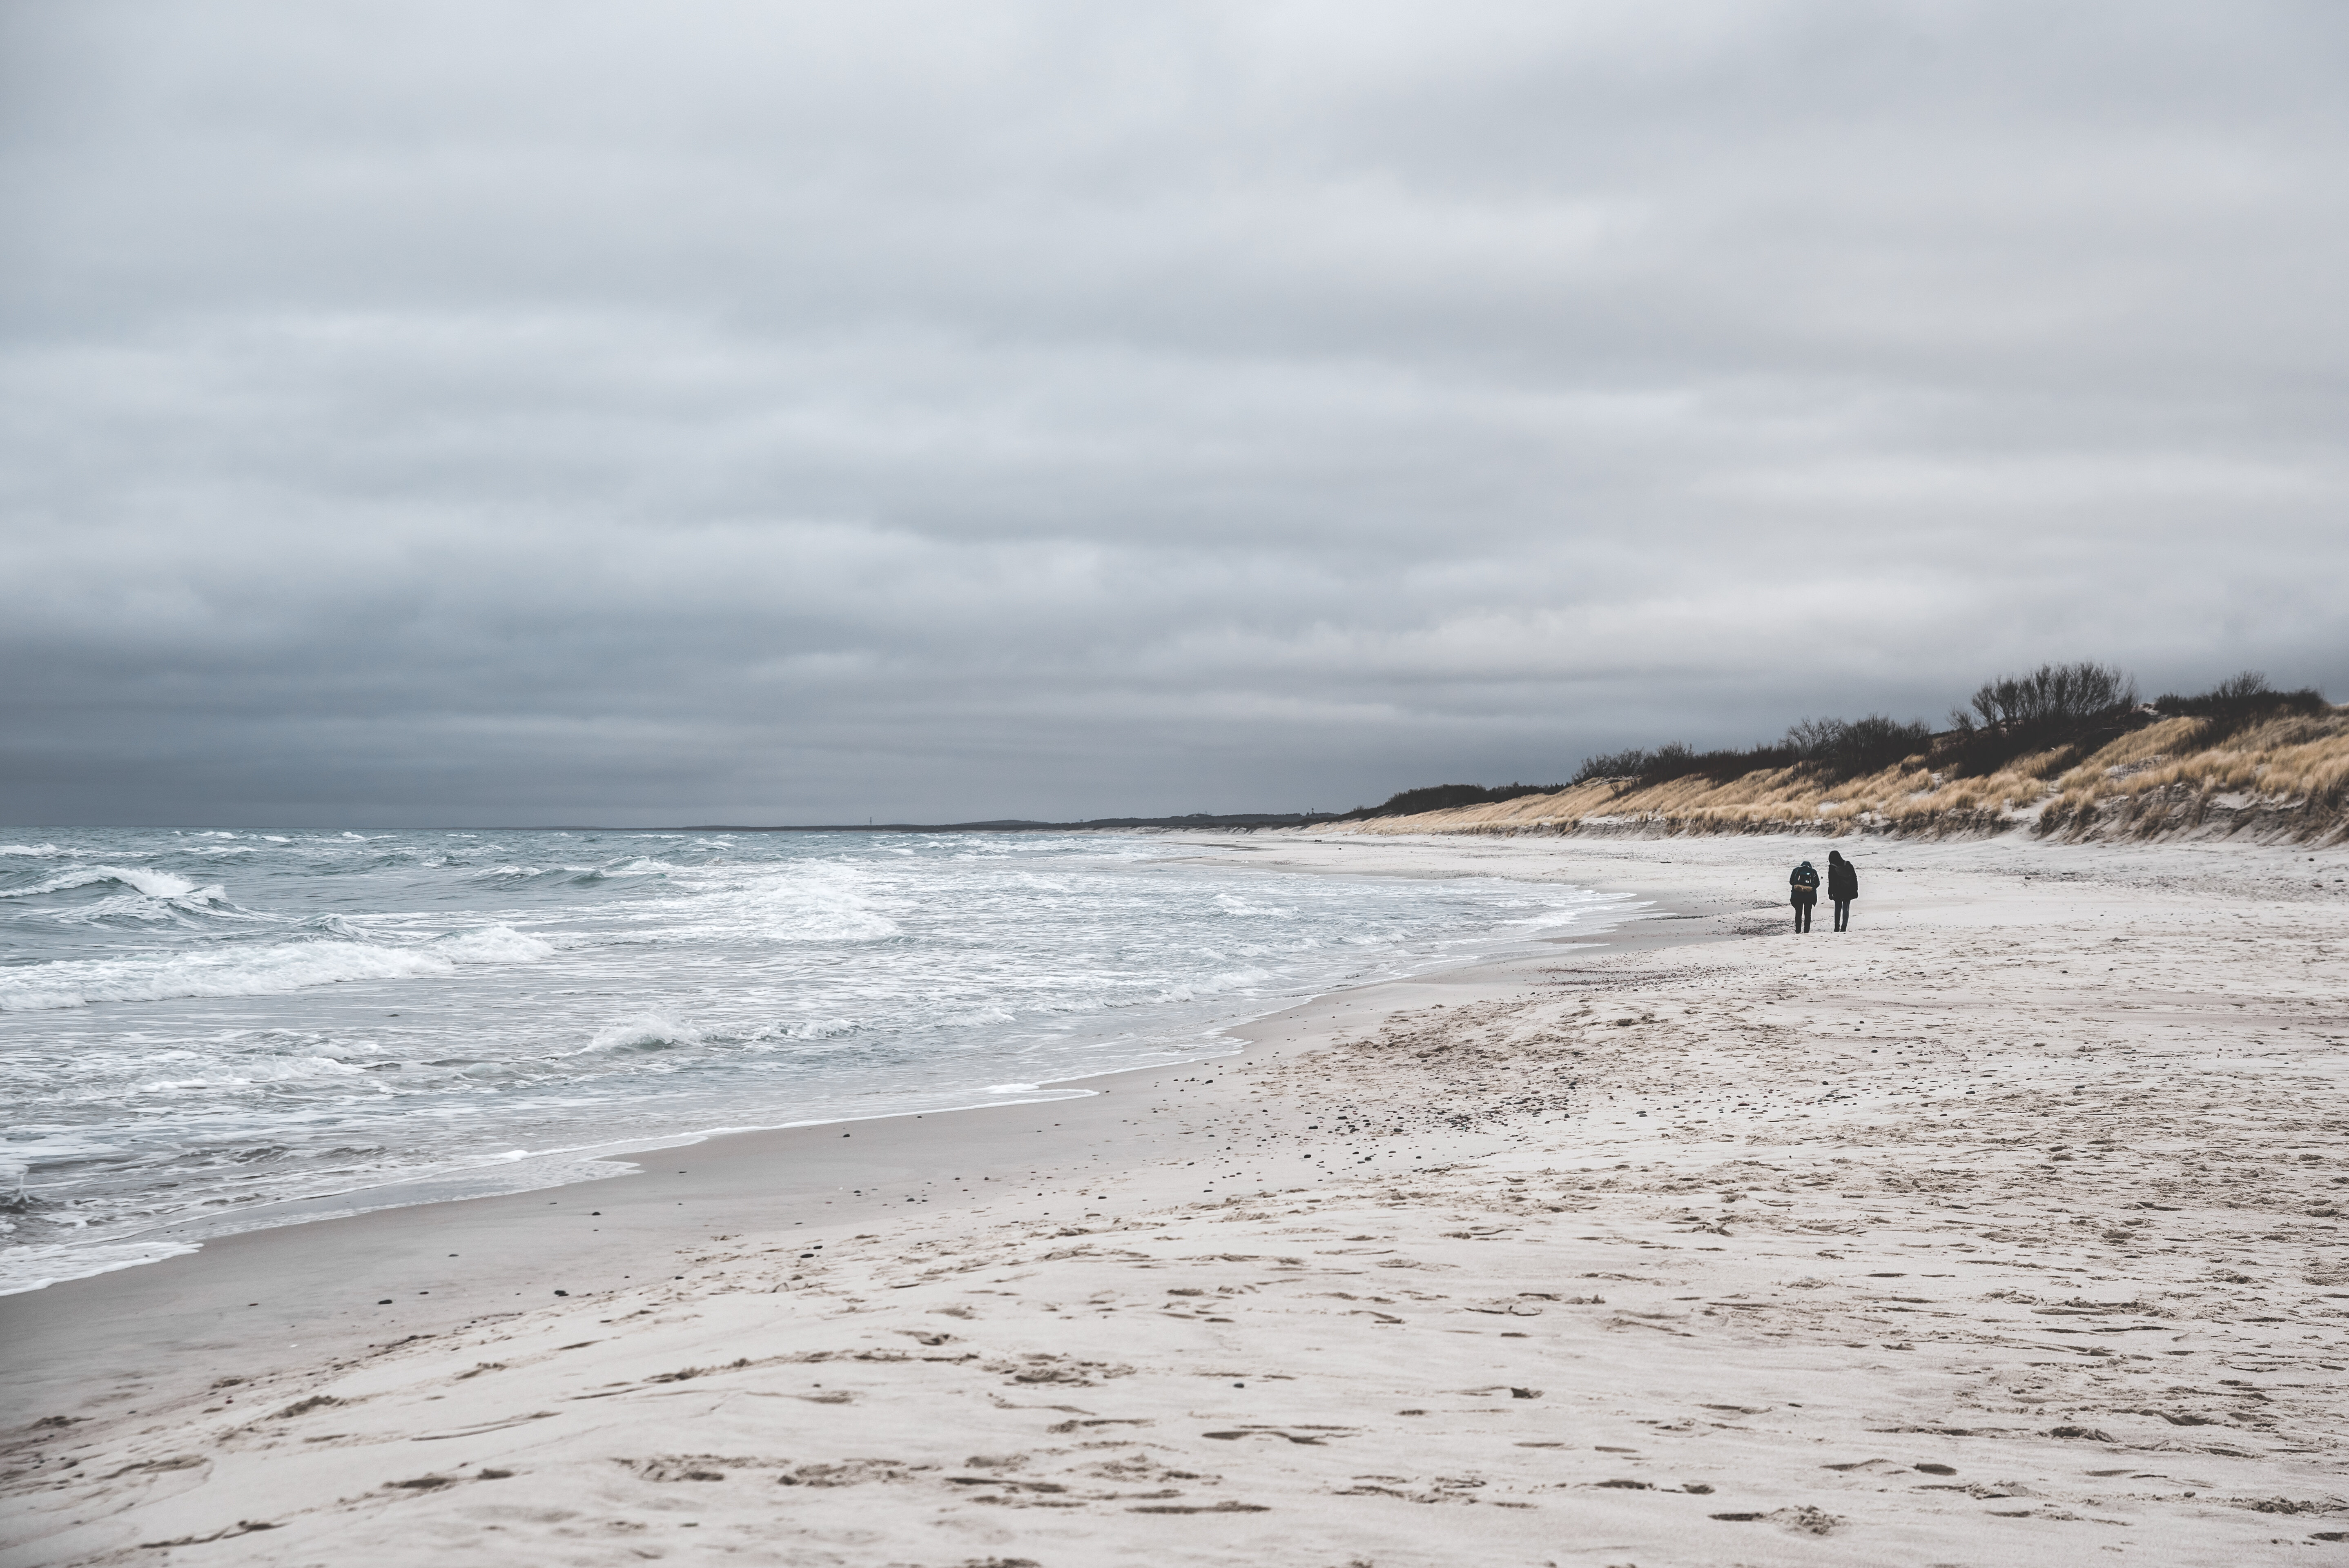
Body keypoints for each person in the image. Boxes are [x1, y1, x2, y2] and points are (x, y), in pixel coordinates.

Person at [1827, 849, 1858, 932]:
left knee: (1838, 909)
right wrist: (1856, 890)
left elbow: (1831, 881)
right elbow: (1854, 878)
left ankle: (1837, 927)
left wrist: (1830, 893)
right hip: (1848, 890)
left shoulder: (1832, 867)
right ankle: (1844, 927)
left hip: (1838, 891)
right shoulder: (1848, 864)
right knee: (1846, 909)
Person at [1789, 859, 1819, 933]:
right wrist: (1810, 888)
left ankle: (1798, 930)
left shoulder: (1796, 870)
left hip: (1797, 896)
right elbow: (1817, 883)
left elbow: (1791, 882)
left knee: (1798, 913)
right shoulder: (1813, 871)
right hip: (1809, 896)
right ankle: (1806, 931)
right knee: (1808, 913)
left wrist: (1799, 887)